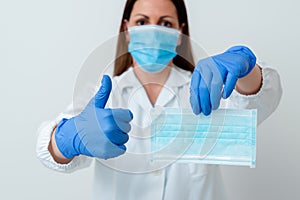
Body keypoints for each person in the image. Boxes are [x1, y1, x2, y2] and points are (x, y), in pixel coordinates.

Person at [36, 0, 282, 199]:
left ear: (180, 33)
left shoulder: (208, 86)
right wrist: (67, 139)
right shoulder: (102, 93)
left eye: (165, 23)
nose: (153, 32)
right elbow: (50, 153)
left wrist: (246, 69)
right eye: (142, 22)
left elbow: (258, 104)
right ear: (127, 30)